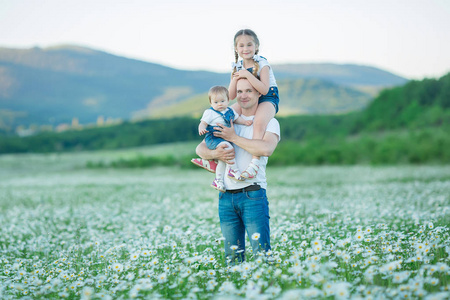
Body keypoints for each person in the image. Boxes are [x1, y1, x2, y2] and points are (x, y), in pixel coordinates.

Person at [196, 78, 280, 264]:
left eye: (249, 91)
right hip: (225, 197)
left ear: (259, 93)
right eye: (239, 91)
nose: (243, 96)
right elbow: (200, 150)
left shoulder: (269, 122)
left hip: (252, 195)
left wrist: (232, 137)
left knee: (262, 255)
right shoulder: (225, 117)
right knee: (232, 258)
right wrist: (214, 153)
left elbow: (265, 149)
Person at [228, 29, 280, 180]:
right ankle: (217, 153)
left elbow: (264, 89)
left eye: (249, 45)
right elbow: (231, 96)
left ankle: (254, 163)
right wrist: (235, 77)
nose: (245, 49)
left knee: (259, 123)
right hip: (248, 96)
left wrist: (247, 75)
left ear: (256, 46)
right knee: (226, 115)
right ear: (236, 49)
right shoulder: (237, 66)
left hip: (268, 97)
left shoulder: (262, 63)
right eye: (241, 46)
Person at [198, 86, 252, 192]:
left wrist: (245, 122)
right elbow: (203, 123)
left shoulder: (230, 111)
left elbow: (237, 119)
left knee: (223, 159)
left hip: (225, 137)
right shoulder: (210, 113)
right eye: (216, 102)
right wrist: (201, 129)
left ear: (228, 100)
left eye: (222, 101)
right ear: (211, 103)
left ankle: (218, 181)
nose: (219, 104)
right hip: (214, 137)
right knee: (228, 148)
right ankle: (234, 170)